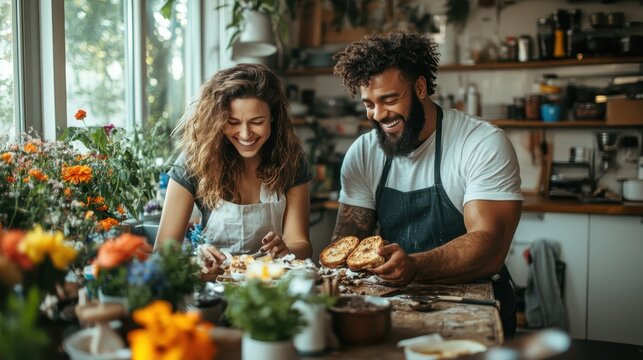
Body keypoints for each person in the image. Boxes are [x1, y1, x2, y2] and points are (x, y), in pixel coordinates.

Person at [332, 31, 523, 337]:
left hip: (474, 306)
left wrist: (415, 265)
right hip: (397, 303)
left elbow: (490, 246)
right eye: (369, 104)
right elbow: (346, 245)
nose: (379, 115)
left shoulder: (481, 143)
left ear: (420, 87)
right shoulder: (363, 152)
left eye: (389, 99)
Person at [155, 63, 313, 280]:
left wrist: (287, 250)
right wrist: (194, 260)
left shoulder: (290, 159)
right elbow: (163, 252)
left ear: (273, 117)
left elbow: (302, 243)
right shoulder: (194, 162)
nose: (246, 134)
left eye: (257, 122)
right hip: (211, 289)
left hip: (270, 291)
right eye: (233, 123)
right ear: (217, 121)